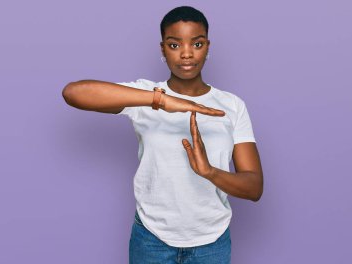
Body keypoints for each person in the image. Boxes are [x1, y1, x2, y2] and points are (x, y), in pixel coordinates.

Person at [62, 6, 263, 264]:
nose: (187, 54)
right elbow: (73, 93)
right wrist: (160, 101)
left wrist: (210, 172)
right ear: (162, 50)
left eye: (197, 43)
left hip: (212, 242)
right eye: (174, 45)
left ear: (208, 46)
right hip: (151, 239)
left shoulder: (231, 105)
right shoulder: (144, 95)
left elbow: (254, 187)